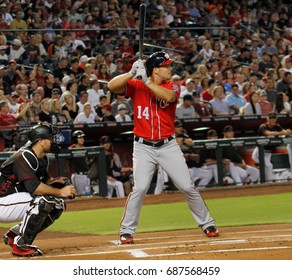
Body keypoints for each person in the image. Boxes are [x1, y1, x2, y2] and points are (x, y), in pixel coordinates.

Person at [108, 51, 219, 244]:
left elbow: (168, 97)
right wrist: (131, 73)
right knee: (140, 188)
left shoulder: (172, 85)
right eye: (166, 66)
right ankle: (126, 230)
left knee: (186, 186)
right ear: (156, 69)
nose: (170, 69)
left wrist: (147, 82)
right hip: (143, 146)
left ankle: (207, 223)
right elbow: (112, 86)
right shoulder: (136, 85)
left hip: (168, 145)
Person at [0, 124, 76, 257]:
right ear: (41, 141)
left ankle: (14, 235)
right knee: (45, 201)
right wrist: (60, 192)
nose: (53, 141)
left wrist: (59, 185)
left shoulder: (42, 158)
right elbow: (34, 188)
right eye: (50, 138)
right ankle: (21, 245)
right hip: (2, 202)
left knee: (57, 204)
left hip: (12, 200)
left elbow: (45, 181)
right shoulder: (25, 155)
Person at [252, 112, 292, 182]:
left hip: (268, 153)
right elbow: (268, 133)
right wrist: (282, 133)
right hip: (259, 151)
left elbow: (285, 131)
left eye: (274, 118)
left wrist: (287, 131)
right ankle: (268, 182)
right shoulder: (263, 126)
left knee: (267, 167)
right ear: (267, 119)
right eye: (271, 118)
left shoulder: (277, 126)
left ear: (276, 119)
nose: (273, 120)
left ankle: (263, 181)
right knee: (268, 166)